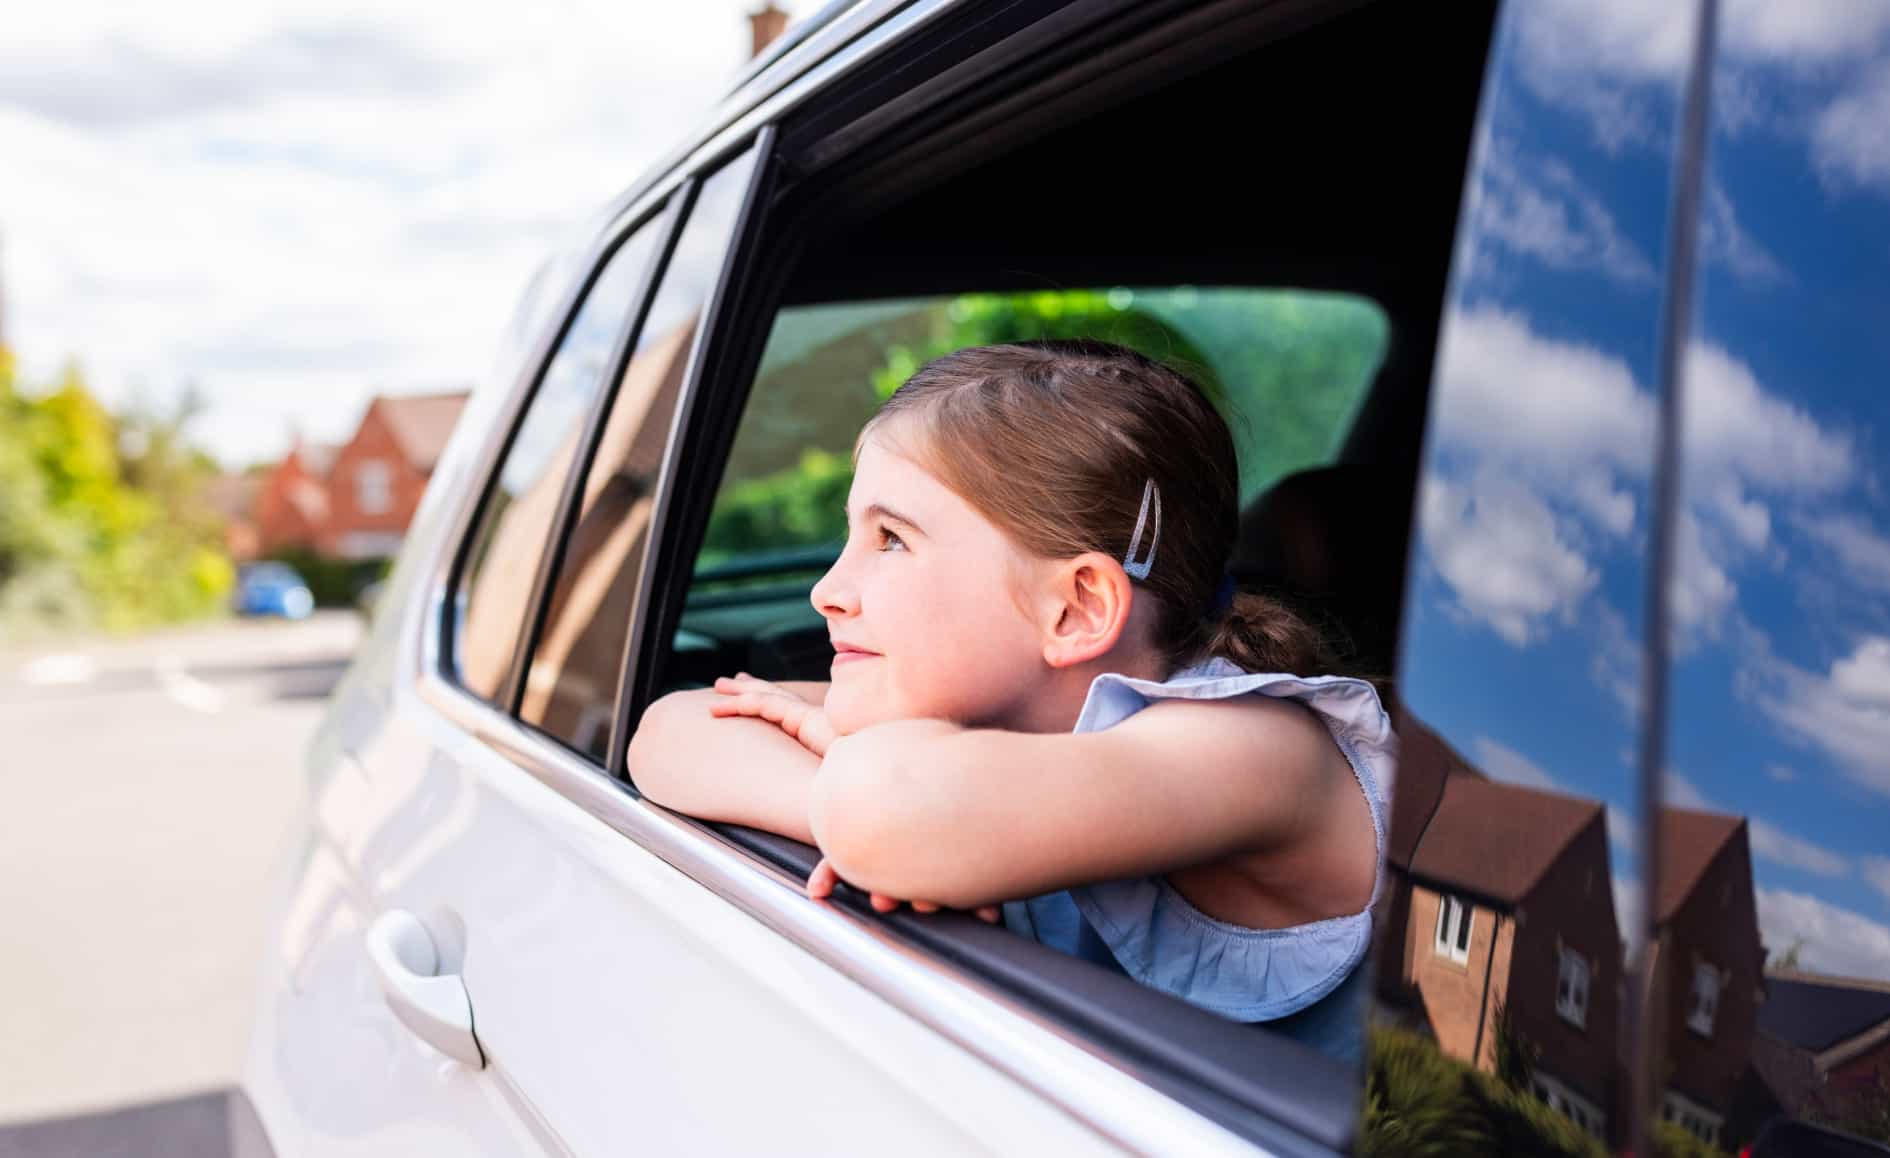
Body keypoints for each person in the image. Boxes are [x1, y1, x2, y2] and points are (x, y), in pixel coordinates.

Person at [629, 339, 1394, 1060]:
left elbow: (885, 807)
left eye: (891, 539)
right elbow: (668, 730)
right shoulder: (989, 705)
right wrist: (844, 796)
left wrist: (878, 799)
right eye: (849, 537)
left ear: (1076, 610)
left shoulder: (1254, 748)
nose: (826, 592)